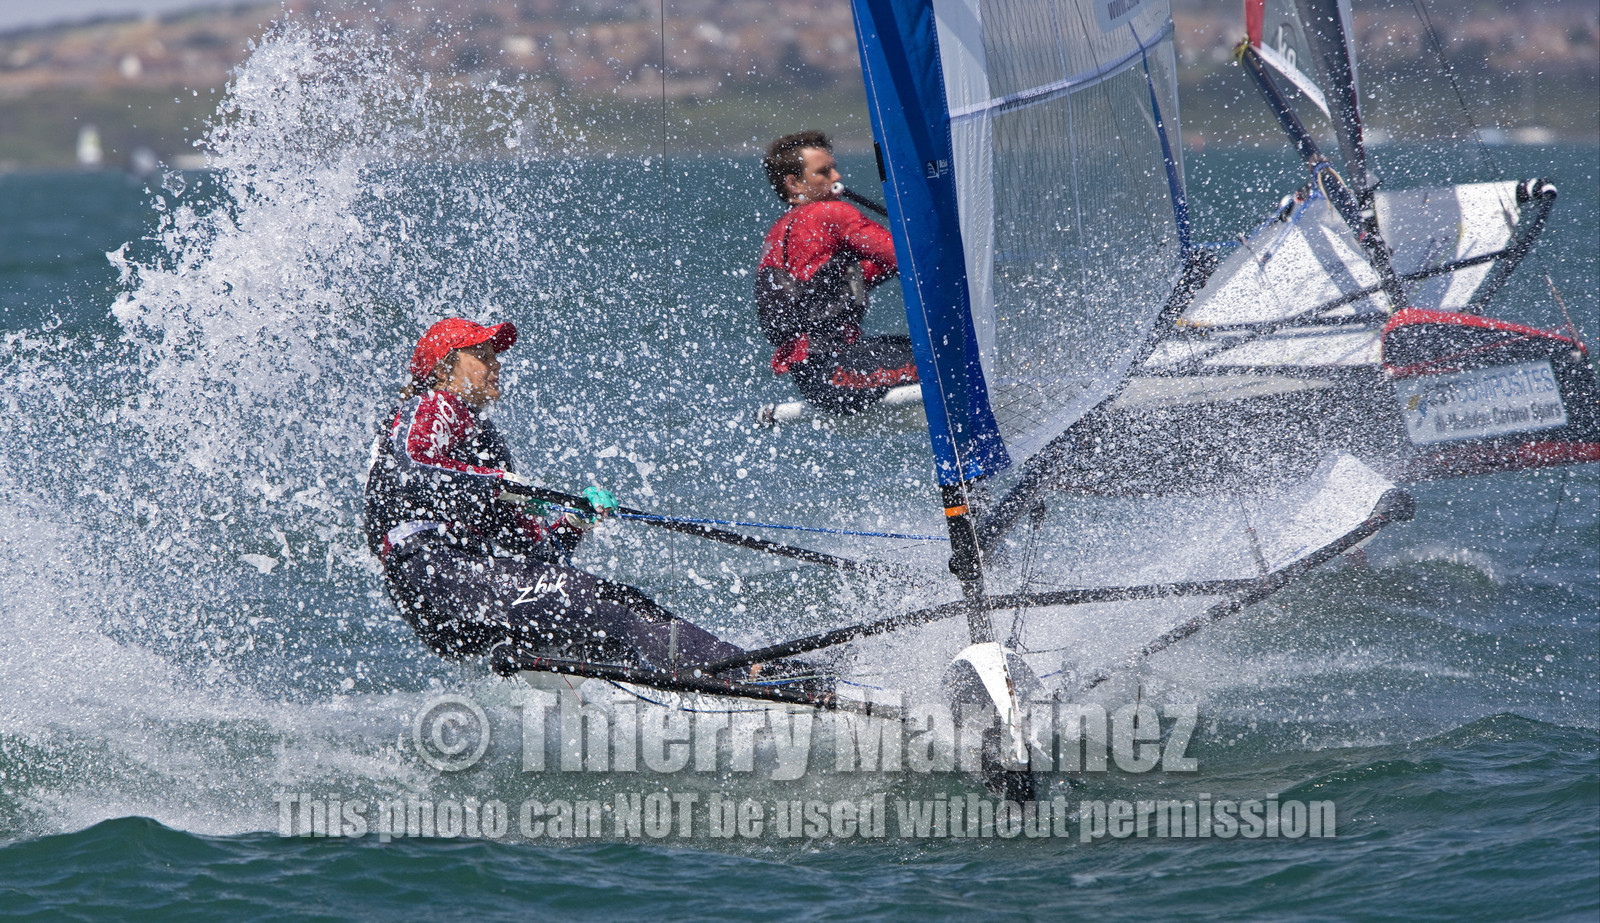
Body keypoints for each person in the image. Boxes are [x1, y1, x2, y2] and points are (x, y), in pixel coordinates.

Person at [364, 317, 754, 676]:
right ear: (445, 368)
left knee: (615, 615)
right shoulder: (435, 404)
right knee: (615, 608)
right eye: (481, 355)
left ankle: (718, 681)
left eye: (494, 356)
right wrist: (499, 482)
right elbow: (409, 465)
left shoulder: (486, 441)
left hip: (462, 598)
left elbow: (539, 560)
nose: (495, 364)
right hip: (431, 572)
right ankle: (745, 671)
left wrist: (572, 524)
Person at [756, 130, 919, 414]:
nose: (837, 177)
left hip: (813, 380)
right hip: (839, 372)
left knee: (922, 348)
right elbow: (909, 257)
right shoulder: (832, 214)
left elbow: (848, 279)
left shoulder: (778, 233)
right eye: (824, 172)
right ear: (793, 184)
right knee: (950, 357)